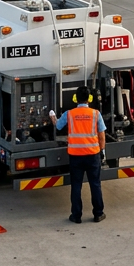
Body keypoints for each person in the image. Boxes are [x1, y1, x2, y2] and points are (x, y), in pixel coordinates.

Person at [50, 89, 106, 224]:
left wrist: (52, 115)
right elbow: (102, 136)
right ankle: (98, 214)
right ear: (89, 99)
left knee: (76, 185)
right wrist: (102, 151)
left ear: (76, 98)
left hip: (75, 156)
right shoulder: (95, 114)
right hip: (93, 155)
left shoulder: (69, 114)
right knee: (95, 184)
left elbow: (58, 126)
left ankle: (76, 216)